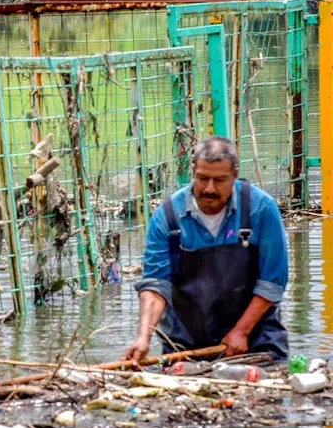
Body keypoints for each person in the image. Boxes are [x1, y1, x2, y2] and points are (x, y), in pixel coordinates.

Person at [122, 136, 289, 364]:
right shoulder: (168, 217)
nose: (209, 189)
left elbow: (272, 282)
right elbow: (155, 285)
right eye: (202, 178)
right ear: (193, 171)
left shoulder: (262, 209)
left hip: (255, 338)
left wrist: (241, 331)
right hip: (185, 343)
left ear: (235, 175)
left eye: (220, 180)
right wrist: (143, 337)